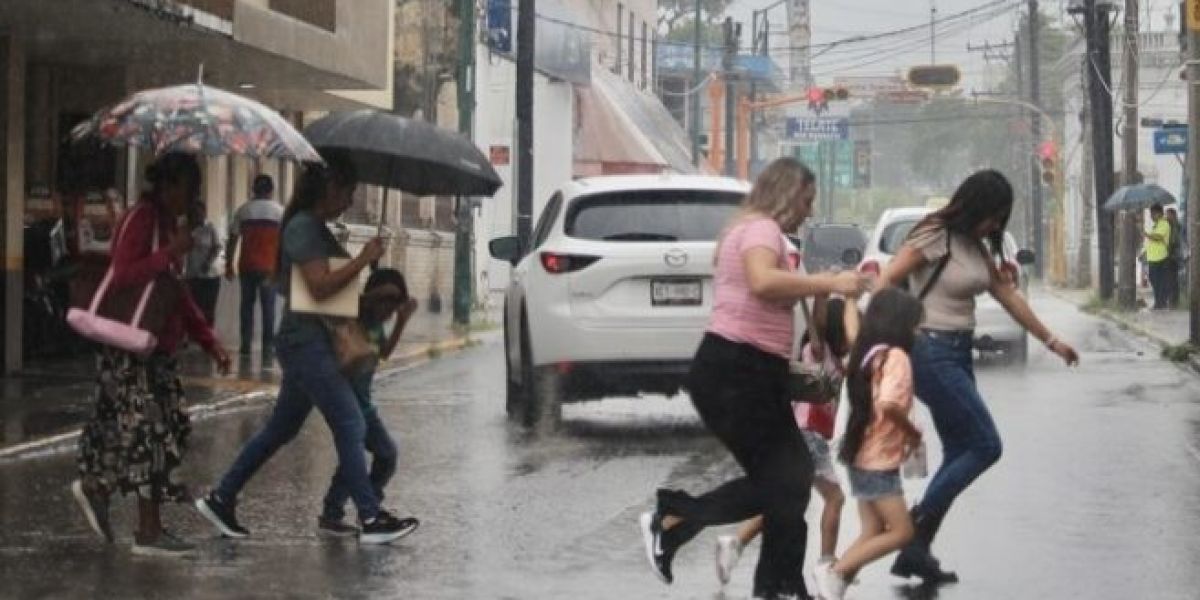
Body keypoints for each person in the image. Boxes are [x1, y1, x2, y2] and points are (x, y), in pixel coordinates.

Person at [637, 157, 871, 600]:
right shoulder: (761, 229)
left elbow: (789, 303)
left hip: (750, 372)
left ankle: (777, 586)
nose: (808, 210)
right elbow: (763, 283)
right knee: (784, 481)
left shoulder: (756, 231)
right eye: (805, 200)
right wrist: (827, 278)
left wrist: (823, 290)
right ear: (786, 195)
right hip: (737, 370)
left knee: (792, 481)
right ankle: (672, 520)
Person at [196, 157, 418, 545]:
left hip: (312, 344)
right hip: (306, 345)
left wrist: (367, 269)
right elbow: (319, 287)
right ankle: (369, 515)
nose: (349, 201)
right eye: (347, 192)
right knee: (351, 423)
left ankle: (222, 497)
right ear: (328, 188)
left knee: (279, 430)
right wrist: (363, 259)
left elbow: (333, 290)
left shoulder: (313, 228)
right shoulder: (301, 228)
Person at [879, 169, 1079, 584]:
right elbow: (887, 279)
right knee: (986, 445)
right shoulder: (934, 235)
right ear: (973, 206)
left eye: (1000, 220)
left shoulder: (973, 245)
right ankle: (914, 529)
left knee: (960, 451)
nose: (994, 226)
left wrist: (1051, 341)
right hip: (929, 351)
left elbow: (1007, 296)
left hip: (958, 351)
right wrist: (893, 335)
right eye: (992, 216)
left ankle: (915, 551)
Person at [71, 153, 232, 557]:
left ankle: (98, 487)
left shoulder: (168, 225)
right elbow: (123, 273)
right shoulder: (141, 218)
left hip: (156, 346)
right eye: (187, 191)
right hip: (130, 347)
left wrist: (208, 338)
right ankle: (147, 529)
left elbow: (174, 290)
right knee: (150, 435)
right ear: (168, 186)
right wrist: (170, 251)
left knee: (146, 431)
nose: (190, 199)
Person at [714, 296, 858, 586]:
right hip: (808, 436)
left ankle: (735, 542)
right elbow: (817, 324)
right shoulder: (818, 352)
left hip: (805, 437)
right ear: (834, 330)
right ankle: (827, 564)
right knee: (835, 498)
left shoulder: (837, 361)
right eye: (850, 329)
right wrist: (821, 292)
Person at [814, 288, 925, 600]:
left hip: (861, 456)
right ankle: (833, 573)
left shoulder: (868, 352)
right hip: (879, 462)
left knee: (872, 531)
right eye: (916, 325)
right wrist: (912, 433)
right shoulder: (898, 358)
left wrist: (849, 298)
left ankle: (833, 588)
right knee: (902, 532)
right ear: (901, 324)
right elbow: (890, 404)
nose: (918, 332)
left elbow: (851, 330)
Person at [318, 268, 420, 536]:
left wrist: (401, 321)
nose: (388, 313)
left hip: (365, 406)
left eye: (393, 308)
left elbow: (384, 353)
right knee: (353, 459)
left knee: (386, 455)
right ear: (374, 299)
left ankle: (364, 505)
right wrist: (375, 293)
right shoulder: (352, 320)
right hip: (345, 403)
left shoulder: (376, 327)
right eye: (386, 305)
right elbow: (346, 304)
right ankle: (342, 512)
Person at [226, 174, 283, 357]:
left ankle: (246, 345)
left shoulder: (243, 211)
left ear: (254, 189)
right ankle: (267, 346)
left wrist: (229, 264)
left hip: (247, 265)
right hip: (269, 268)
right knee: (268, 308)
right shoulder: (280, 212)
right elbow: (285, 242)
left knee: (247, 306)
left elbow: (233, 239)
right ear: (271, 191)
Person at [184, 200, 222, 326]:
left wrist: (208, 262)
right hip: (191, 274)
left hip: (210, 275)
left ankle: (208, 332)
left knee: (208, 307)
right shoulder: (185, 228)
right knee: (192, 305)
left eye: (200, 213)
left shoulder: (210, 228)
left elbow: (217, 247)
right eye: (194, 213)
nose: (197, 216)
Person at [1143, 203, 1172, 310]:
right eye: (1151, 213)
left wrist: (1146, 234)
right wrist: (1143, 251)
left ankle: (1161, 303)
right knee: (1154, 280)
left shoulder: (1164, 224)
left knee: (1159, 281)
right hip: (1153, 258)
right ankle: (1159, 302)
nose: (1151, 216)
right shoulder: (1155, 225)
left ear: (1159, 213)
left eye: (1153, 213)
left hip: (1161, 257)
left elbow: (1158, 237)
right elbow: (1151, 241)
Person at [1165, 207, 1185, 309]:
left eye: (1168, 214)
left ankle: (1173, 301)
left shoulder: (1177, 226)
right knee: (1170, 279)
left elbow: (1175, 241)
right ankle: (1172, 300)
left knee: (1173, 279)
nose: (1166, 216)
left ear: (1173, 215)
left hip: (1173, 256)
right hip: (1169, 255)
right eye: (1166, 214)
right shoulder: (1169, 225)